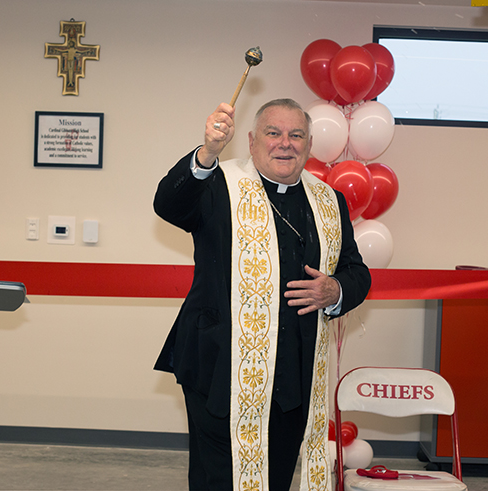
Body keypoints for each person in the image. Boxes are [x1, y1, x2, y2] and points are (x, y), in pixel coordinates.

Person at [153, 99, 371, 491]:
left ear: (308, 144)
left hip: (294, 378)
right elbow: (168, 205)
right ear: (252, 142)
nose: (284, 144)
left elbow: (356, 272)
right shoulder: (219, 184)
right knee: (218, 479)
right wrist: (207, 153)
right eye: (274, 133)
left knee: (275, 477)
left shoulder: (329, 201)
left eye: (296, 135)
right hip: (219, 368)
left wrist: (335, 289)